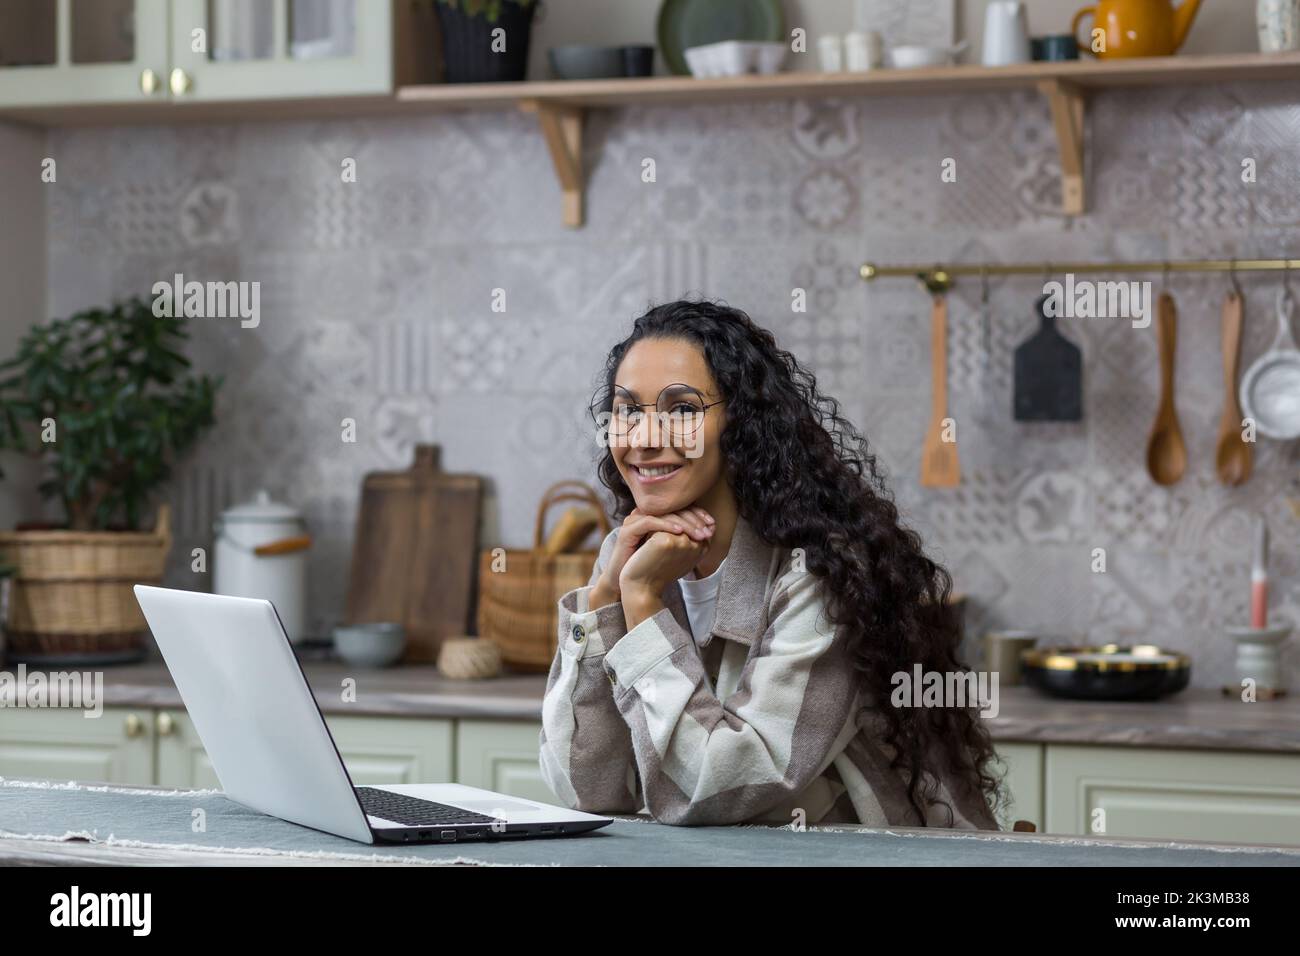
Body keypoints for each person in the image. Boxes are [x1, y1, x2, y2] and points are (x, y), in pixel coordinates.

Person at [538, 299, 1002, 828]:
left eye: (683, 409)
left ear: (741, 423)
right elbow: (585, 788)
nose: (645, 438)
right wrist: (603, 599)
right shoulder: (633, 558)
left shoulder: (822, 574)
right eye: (627, 409)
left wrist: (640, 604)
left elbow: (719, 787)